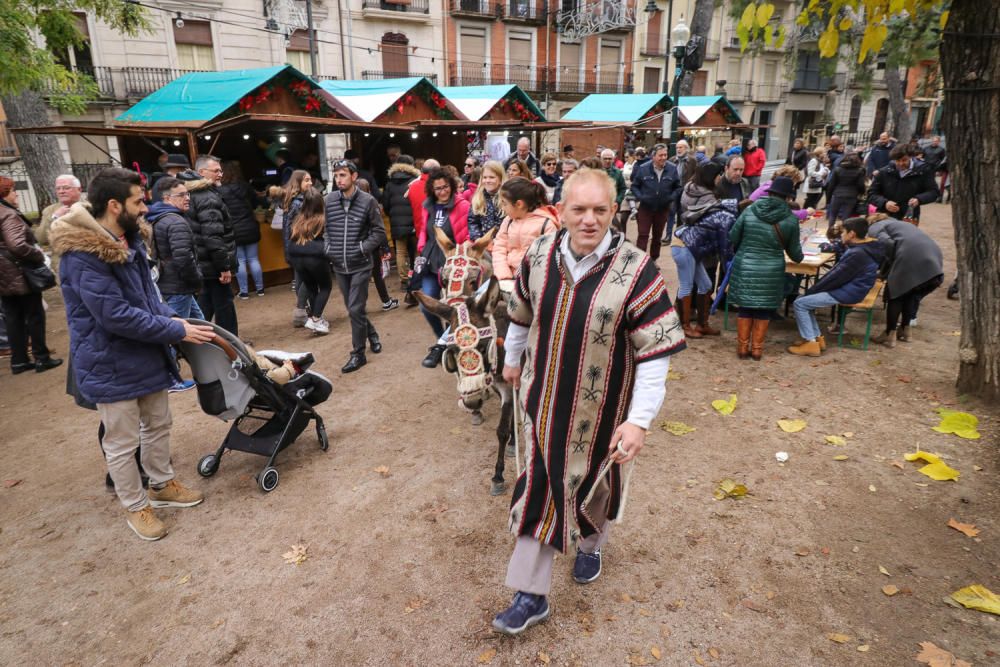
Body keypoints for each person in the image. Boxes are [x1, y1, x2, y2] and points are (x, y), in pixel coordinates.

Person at [492, 168, 685, 636]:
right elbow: (521, 314)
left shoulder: (638, 269)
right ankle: (530, 594)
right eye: (579, 210)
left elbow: (654, 353)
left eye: (600, 210)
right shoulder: (539, 254)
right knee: (539, 486)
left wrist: (638, 421)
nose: (589, 220)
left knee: (596, 486)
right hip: (542, 402)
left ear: (614, 211)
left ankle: (591, 545)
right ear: (561, 211)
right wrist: (513, 359)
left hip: (604, 412)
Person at [49, 167, 215, 541]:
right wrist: (176, 329)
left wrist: (177, 319)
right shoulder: (81, 254)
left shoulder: (130, 241)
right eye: (138, 201)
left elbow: (148, 299)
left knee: (158, 424)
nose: (145, 208)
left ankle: (161, 485)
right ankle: (136, 506)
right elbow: (115, 316)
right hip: (109, 363)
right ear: (113, 204)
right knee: (122, 443)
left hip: (144, 355)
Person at [727, 176, 804, 361]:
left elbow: (733, 236)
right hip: (772, 269)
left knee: (745, 306)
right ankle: (757, 350)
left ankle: (742, 348)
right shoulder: (790, 219)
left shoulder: (750, 210)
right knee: (763, 308)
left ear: (769, 192)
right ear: (788, 198)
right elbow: (796, 255)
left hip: (746, 265)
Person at [787, 217, 885, 356]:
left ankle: (810, 343)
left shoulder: (856, 253)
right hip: (853, 288)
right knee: (805, 301)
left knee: (800, 303)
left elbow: (835, 277)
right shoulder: (865, 248)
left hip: (850, 291)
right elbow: (836, 276)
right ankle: (816, 339)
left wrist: (812, 291)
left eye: (843, 232)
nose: (841, 235)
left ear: (852, 234)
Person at [323, 160, 386, 372]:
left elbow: (379, 232)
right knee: (354, 309)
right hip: (339, 265)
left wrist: (361, 248)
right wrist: (328, 247)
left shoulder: (368, 201)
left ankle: (358, 354)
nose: (338, 179)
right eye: (336, 175)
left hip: (360, 264)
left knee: (355, 309)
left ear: (353, 176)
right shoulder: (329, 200)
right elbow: (326, 229)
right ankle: (373, 335)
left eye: (342, 175)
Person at [0, 177, 62, 374]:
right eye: (12, 191)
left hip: (3, 274)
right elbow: (17, 245)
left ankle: (18, 361)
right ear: (4, 193)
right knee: (34, 314)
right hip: (19, 273)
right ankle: (41, 357)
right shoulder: (8, 215)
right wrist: (38, 254)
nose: (16, 194)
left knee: (12, 316)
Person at [672, 162, 737, 339]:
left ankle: (702, 324)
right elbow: (724, 243)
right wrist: (729, 263)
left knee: (706, 285)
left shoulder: (689, 188)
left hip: (691, 242)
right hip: (686, 244)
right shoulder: (712, 201)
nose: (720, 178)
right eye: (718, 175)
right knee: (686, 285)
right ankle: (684, 325)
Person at [176, 155, 238, 336]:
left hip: (202, 263)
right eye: (216, 171)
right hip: (212, 264)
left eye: (221, 170)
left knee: (206, 305)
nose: (221, 174)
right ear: (202, 173)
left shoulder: (192, 193)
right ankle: (232, 345)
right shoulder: (206, 196)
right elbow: (213, 236)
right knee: (224, 306)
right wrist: (224, 267)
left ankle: (206, 341)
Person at [415, 169, 471, 368]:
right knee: (426, 304)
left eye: (445, 187)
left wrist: (461, 256)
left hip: (453, 262)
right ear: (432, 189)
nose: (442, 191)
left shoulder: (462, 205)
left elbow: (466, 235)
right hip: (431, 260)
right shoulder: (428, 205)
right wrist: (421, 247)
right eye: (437, 188)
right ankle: (443, 340)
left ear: (452, 185)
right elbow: (424, 230)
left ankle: (448, 344)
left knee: (454, 306)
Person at [869, 216, 943, 346]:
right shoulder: (900, 224)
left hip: (909, 257)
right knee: (910, 293)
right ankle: (905, 330)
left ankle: (889, 334)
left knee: (895, 295)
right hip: (933, 258)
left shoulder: (875, 227)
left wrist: (886, 270)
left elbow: (888, 245)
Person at [147, 178, 203, 321]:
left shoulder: (155, 216)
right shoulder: (176, 222)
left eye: (187, 194)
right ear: (167, 198)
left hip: (168, 284)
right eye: (181, 195)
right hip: (178, 287)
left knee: (202, 326)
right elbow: (183, 258)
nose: (187, 198)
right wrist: (197, 280)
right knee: (178, 333)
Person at [492, 178, 560, 282]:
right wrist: (503, 274)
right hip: (507, 278)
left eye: (504, 203)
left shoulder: (547, 224)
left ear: (519, 204)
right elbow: (499, 247)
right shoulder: (508, 221)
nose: (502, 207)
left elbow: (550, 258)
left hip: (534, 281)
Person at [288, 189, 333, 335]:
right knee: (326, 286)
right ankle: (316, 319)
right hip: (316, 258)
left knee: (311, 287)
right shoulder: (323, 219)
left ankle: (315, 319)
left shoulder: (298, 219)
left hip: (297, 258)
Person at [218, 161, 264, 299]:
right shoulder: (245, 186)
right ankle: (260, 289)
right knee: (254, 259)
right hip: (250, 227)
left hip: (233, 231)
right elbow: (257, 203)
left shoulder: (220, 191)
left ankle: (244, 292)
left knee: (241, 261)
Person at [628, 143, 680, 259]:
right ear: (653, 157)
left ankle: (654, 259)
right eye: (660, 155)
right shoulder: (643, 169)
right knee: (643, 234)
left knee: (657, 236)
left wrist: (671, 198)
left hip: (662, 208)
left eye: (665, 155)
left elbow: (678, 187)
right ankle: (640, 260)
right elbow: (634, 186)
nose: (663, 158)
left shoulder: (672, 169)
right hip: (645, 208)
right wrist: (641, 197)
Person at [383, 154, 421, 305]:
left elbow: (385, 204)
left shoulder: (390, 183)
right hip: (413, 222)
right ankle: (416, 278)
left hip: (396, 222)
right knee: (416, 251)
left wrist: (392, 216)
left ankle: (404, 281)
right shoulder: (414, 181)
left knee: (400, 252)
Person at [356, 177, 397, 312]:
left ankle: (359, 305)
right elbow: (379, 230)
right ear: (368, 189)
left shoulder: (351, 206)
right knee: (377, 275)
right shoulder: (372, 204)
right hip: (372, 245)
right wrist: (385, 247)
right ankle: (386, 301)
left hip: (357, 246)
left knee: (360, 277)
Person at [868, 145, 938, 222]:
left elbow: (933, 192)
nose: (901, 163)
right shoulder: (884, 172)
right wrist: (885, 203)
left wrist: (919, 199)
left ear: (911, 157)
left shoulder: (923, 171)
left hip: (909, 216)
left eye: (904, 160)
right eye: (897, 160)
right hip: (884, 216)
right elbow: (871, 194)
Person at [37, 174, 83, 246]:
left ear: (79, 189)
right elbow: (41, 239)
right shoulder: (49, 210)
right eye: (58, 188)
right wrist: (55, 217)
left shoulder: (91, 207)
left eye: (66, 188)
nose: (61, 191)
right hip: (61, 255)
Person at [468, 160, 506, 241]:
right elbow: (473, 221)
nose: (487, 180)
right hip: (482, 243)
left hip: (502, 243)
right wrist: (477, 238)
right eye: (485, 177)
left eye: (492, 177)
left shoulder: (507, 197)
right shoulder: (478, 198)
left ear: (500, 179)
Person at [826, 152, 866, 228]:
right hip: (852, 195)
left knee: (833, 215)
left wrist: (828, 199)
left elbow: (831, 185)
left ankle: (830, 231)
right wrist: (861, 192)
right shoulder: (859, 171)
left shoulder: (838, 169)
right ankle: (844, 233)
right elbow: (860, 185)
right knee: (846, 217)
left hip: (837, 194)